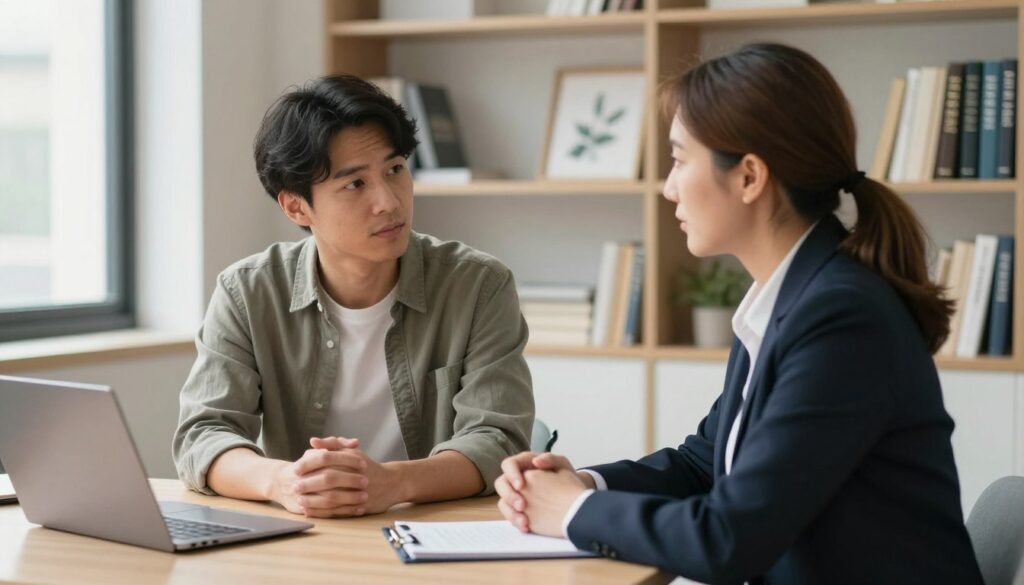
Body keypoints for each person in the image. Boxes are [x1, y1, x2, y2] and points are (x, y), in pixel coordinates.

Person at [494, 43, 983, 584]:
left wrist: (568, 512)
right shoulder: (788, 300)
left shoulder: (841, 317)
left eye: (679, 160)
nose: (668, 187)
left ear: (749, 177)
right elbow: (705, 464)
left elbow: (729, 539)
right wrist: (584, 485)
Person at [173, 75, 534, 519]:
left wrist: (392, 483)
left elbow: (498, 439)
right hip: (305, 536)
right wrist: (282, 482)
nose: (388, 201)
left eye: (395, 170)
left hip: (434, 531)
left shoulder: (479, 285)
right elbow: (203, 434)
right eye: (354, 184)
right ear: (296, 207)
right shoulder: (248, 291)